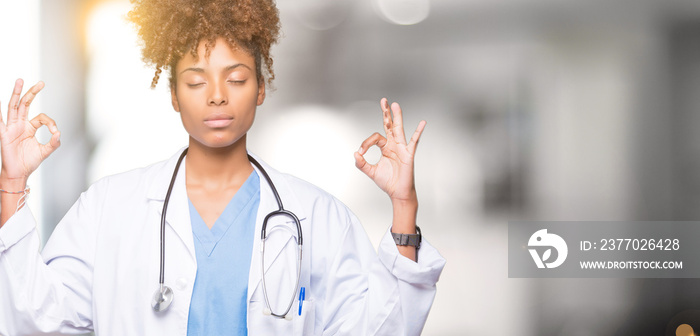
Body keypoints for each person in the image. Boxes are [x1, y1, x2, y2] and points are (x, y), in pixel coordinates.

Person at [0, 0, 445, 335]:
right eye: (196, 81)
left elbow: (380, 330)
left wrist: (403, 206)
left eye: (236, 79)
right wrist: (11, 186)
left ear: (261, 89)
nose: (217, 95)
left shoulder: (317, 216)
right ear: (173, 95)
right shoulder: (107, 208)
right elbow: (38, 320)